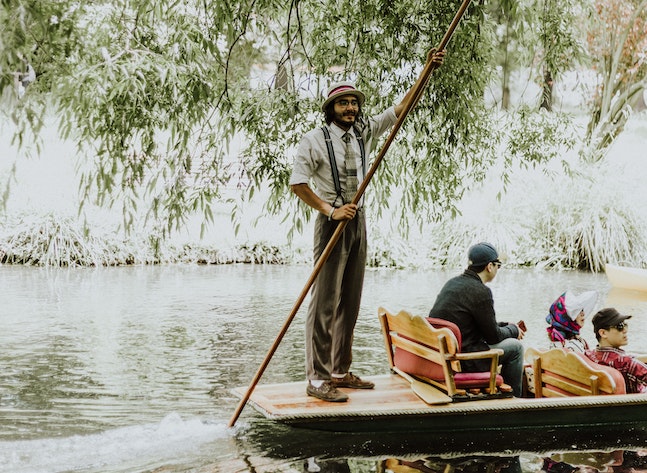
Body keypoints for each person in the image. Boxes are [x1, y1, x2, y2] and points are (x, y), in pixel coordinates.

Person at [289, 50, 445, 402]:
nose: (350, 109)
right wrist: (330, 210)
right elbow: (298, 183)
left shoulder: (362, 132)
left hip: (358, 220)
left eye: (354, 103)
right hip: (332, 224)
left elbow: (400, 110)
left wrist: (426, 69)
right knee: (325, 302)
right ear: (331, 109)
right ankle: (317, 379)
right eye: (343, 104)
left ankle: (340, 371)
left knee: (351, 300)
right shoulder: (314, 140)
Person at [427, 242, 526, 397]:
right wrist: (514, 331)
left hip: (445, 354)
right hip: (465, 360)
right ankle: (513, 398)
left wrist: (506, 325)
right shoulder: (481, 292)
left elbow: (474, 324)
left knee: (508, 341)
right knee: (515, 348)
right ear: (489, 266)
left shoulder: (452, 283)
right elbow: (493, 336)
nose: (498, 269)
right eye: (498, 266)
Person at [585, 308, 647, 393]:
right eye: (620, 327)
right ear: (603, 333)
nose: (625, 330)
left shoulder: (588, 356)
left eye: (625, 325)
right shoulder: (627, 363)